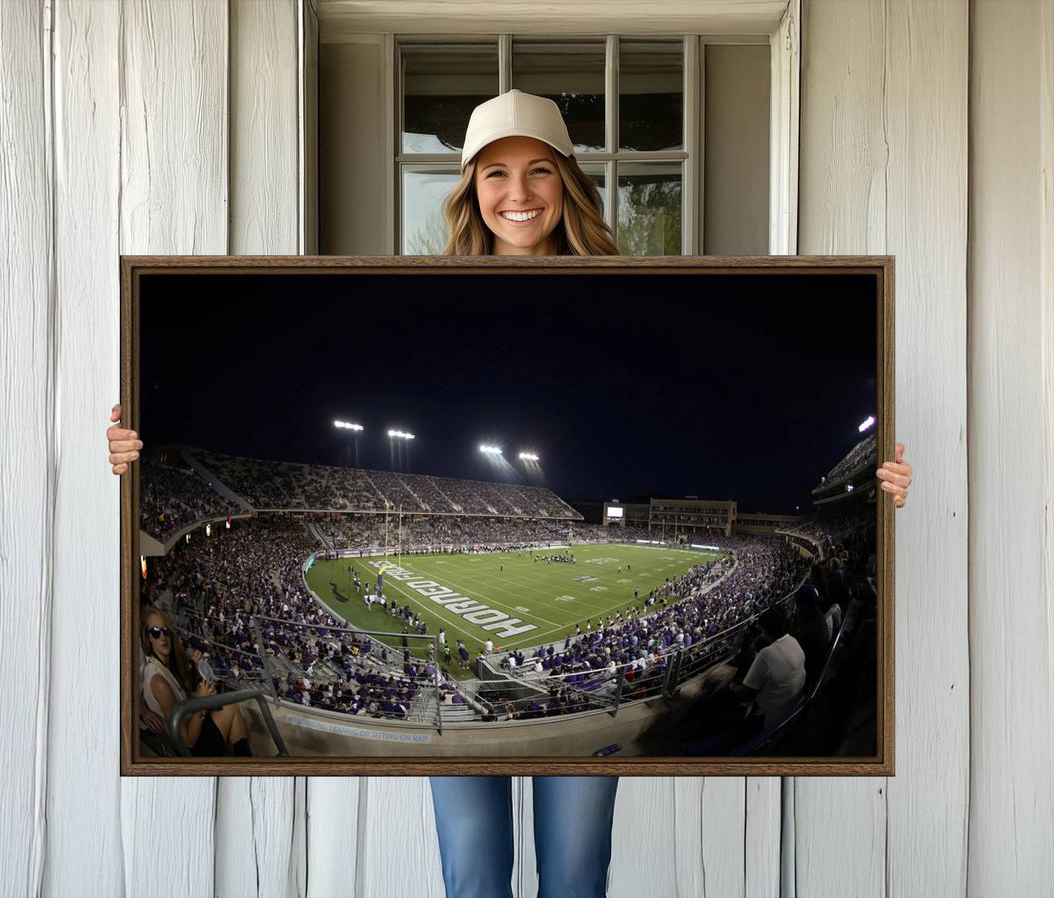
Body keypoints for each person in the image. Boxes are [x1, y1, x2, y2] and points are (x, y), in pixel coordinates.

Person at [107, 88, 914, 898]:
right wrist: (128, 453)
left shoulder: (621, 285)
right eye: (495, 174)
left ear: (568, 180)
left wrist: (880, 485)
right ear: (469, 188)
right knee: (474, 873)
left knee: (574, 872)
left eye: (538, 171)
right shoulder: (425, 288)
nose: (518, 194)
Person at [140, 608, 251, 755]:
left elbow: (182, 700)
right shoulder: (158, 681)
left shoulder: (165, 668)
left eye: (165, 631)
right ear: (148, 638)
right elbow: (187, 740)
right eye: (155, 632)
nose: (162, 637)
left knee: (236, 713)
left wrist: (198, 695)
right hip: (187, 748)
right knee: (232, 711)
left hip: (191, 728)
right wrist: (201, 702)